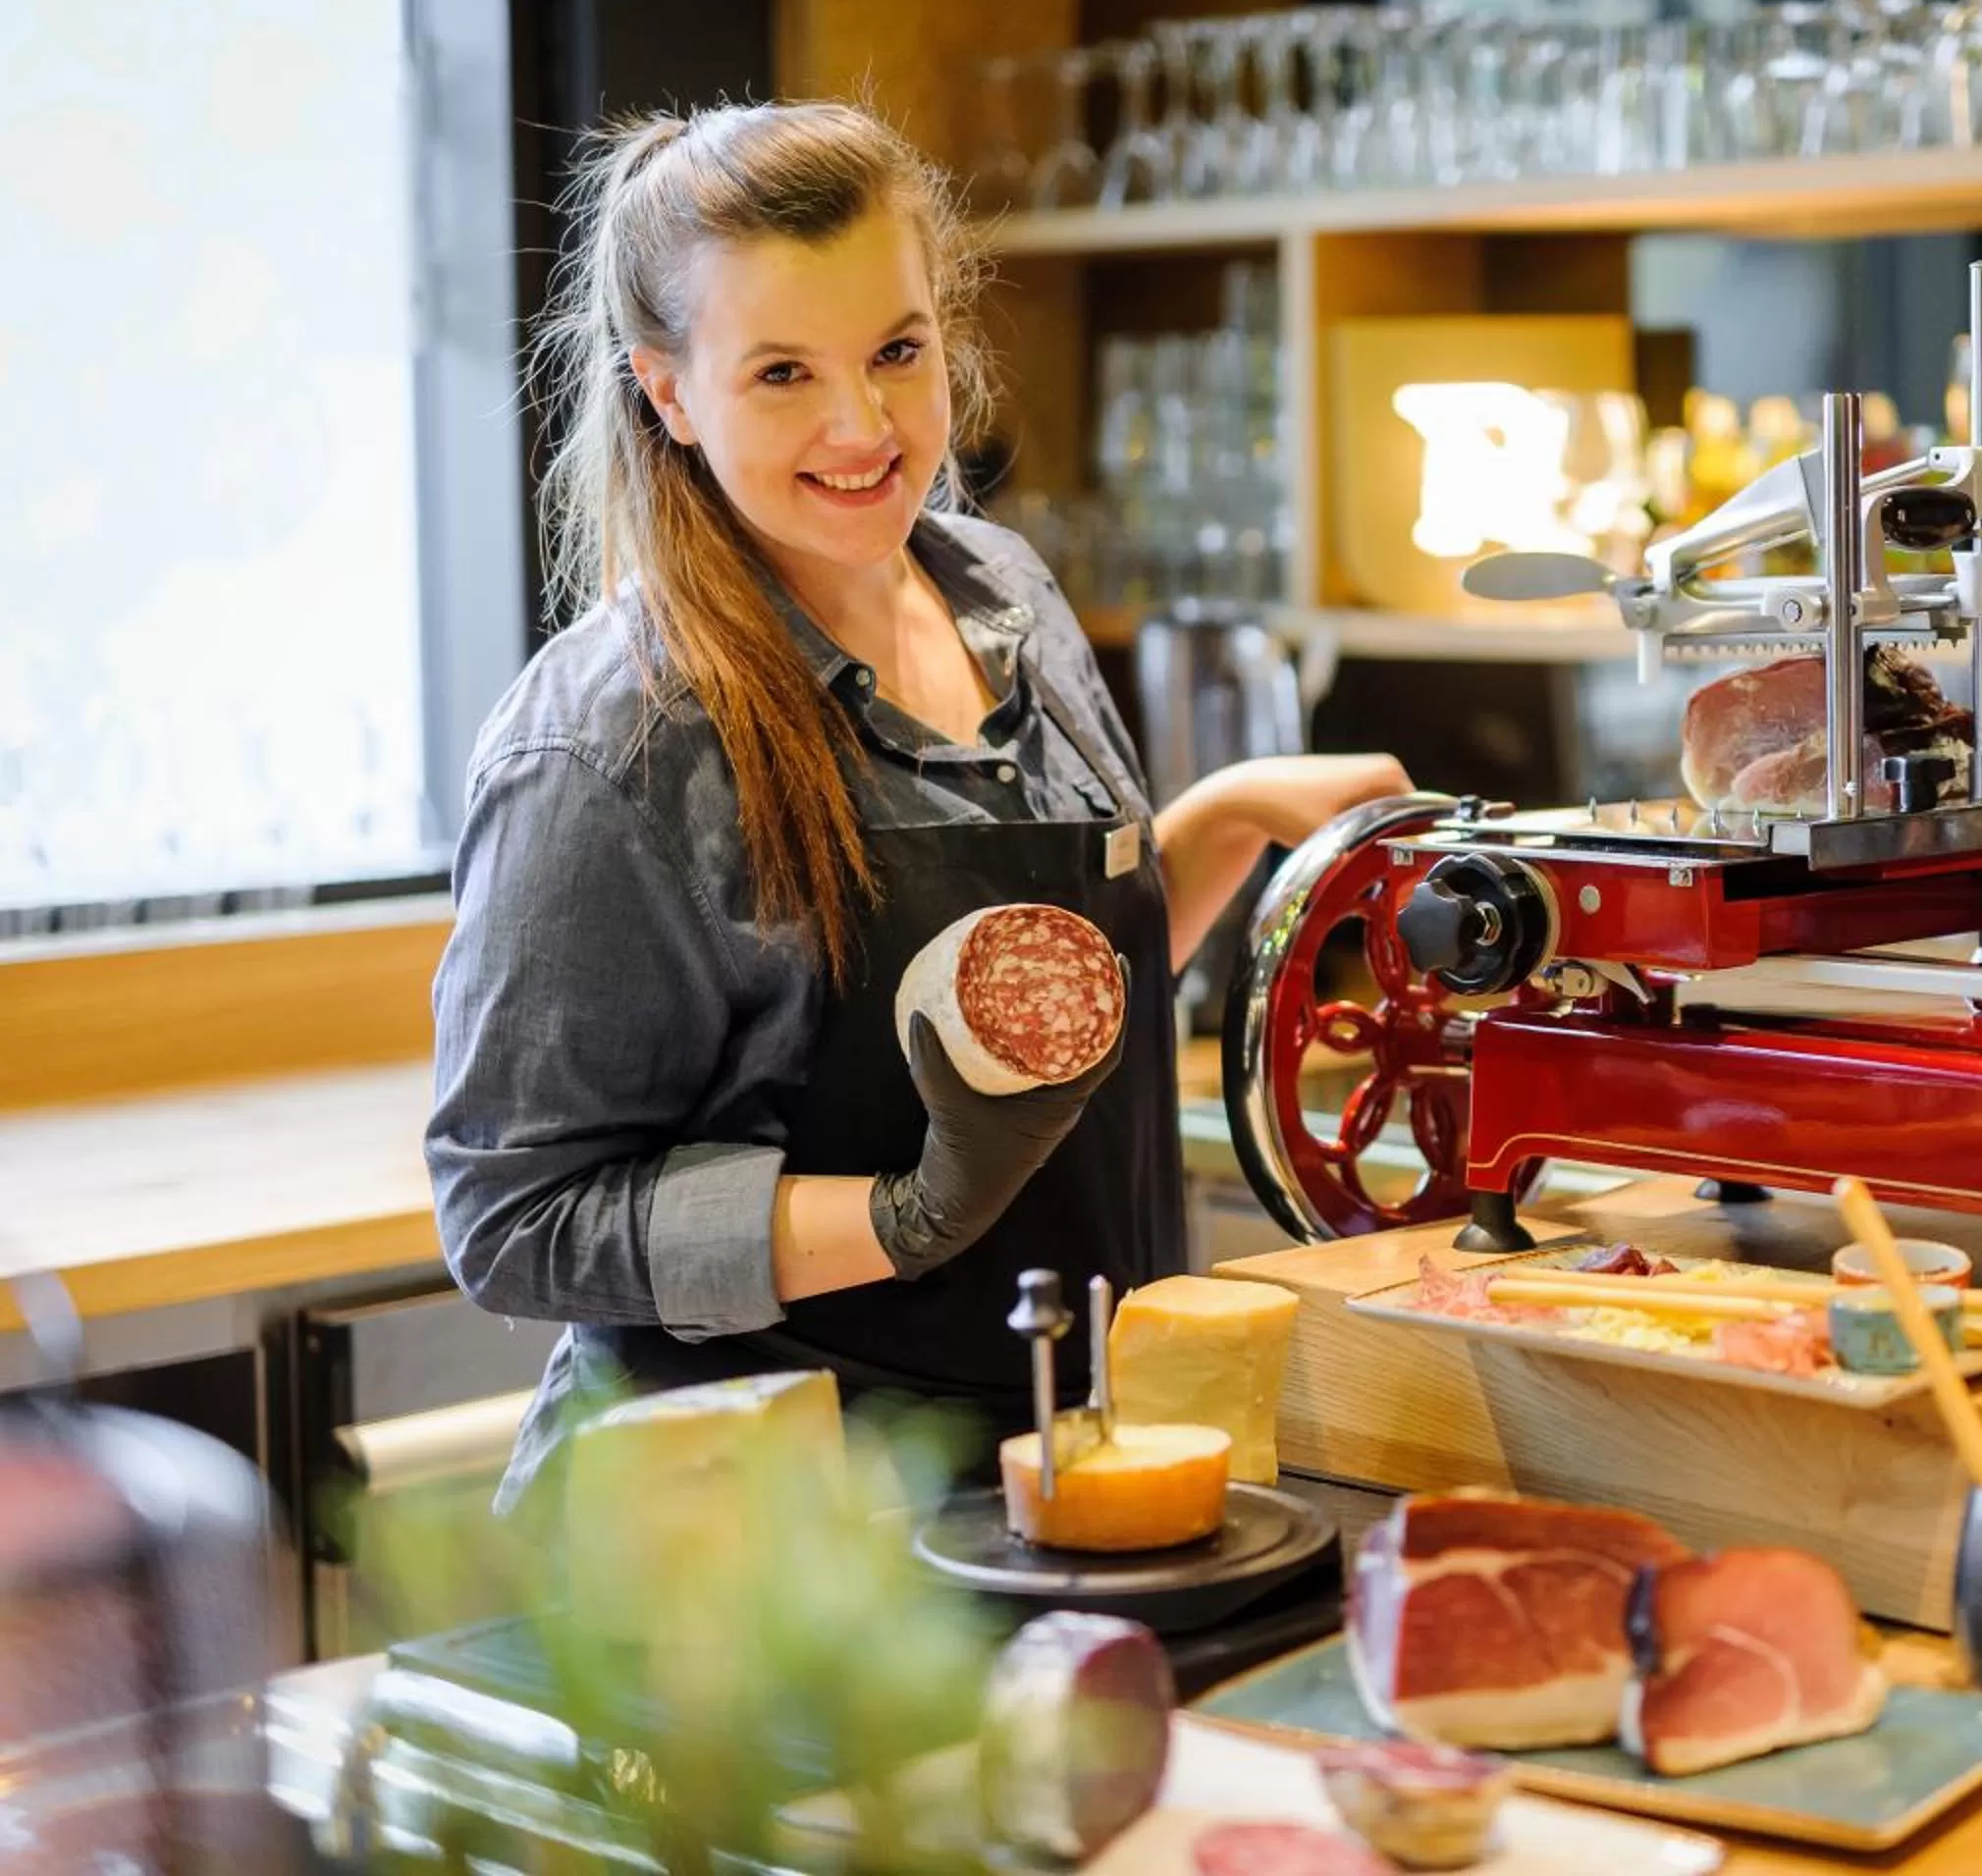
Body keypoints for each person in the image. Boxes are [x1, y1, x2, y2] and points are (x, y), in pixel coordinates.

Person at [425, 100, 1408, 1511]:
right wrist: (903, 1217)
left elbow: (1048, 1012)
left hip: (1066, 1457)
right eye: (782, 373)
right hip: (770, 1542)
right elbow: (515, 1220)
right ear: (670, 393)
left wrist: (1229, 819)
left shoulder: (1006, 596)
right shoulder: (609, 747)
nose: (862, 426)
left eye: (898, 350)